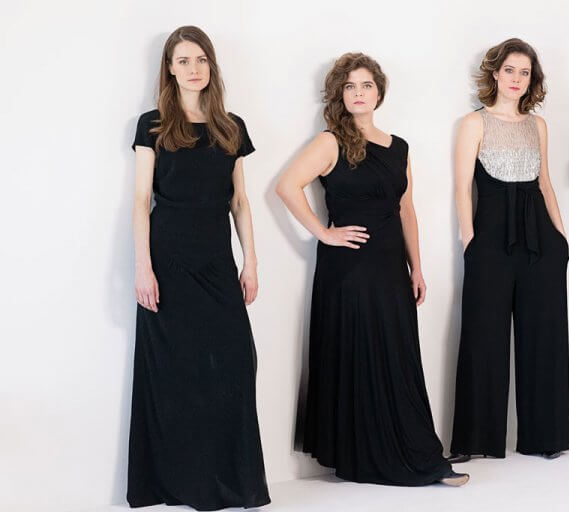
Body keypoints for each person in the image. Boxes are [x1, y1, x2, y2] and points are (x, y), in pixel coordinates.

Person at [276, 52, 468, 487]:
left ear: (379, 92)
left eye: (366, 85)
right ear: (340, 95)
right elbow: (286, 186)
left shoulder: (399, 147)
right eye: (350, 87)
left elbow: (406, 209)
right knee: (359, 356)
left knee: (399, 357)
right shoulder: (330, 142)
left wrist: (417, 267)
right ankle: (364, 458)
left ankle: (415, 452)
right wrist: (324, 233)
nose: (359, 93)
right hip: (349, 268)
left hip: (390, 266)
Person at [128, 26, 270, 508]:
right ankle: (178, 482)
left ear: (211, 66)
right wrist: (143, 268)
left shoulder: (231, 127)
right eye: (184, 60)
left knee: (236, 363)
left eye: (201, 59)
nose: (194, 69)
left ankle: (230, 481)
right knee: (177, 374)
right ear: (169, 69)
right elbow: (141, 201)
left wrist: (251, 262)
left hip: (216, 262)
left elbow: (240, 201)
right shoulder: (152, 125)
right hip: (167, 261)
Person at [449, 38, 569, 463]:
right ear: (495, 73)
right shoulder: (474, 123)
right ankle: (475, 441)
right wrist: (469, 239)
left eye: (524, 72)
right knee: (483, 337)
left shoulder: (538, 125)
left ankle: (546, 437)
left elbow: (545, 184)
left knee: (545, 337)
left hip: (541, 240)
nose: (517, 79)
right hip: (490, 238)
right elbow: (462, 187)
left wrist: (561, 239)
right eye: (510, 70)